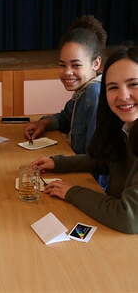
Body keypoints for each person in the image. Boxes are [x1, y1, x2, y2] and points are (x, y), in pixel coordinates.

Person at [31, 45, 138, 234]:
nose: (123, 95)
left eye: (133, 84)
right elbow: (106, 159)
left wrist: (72, 192)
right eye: (113, 87)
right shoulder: (126, 126)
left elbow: (127, 217)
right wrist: (58, 163)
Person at [24, 15, 107, 154]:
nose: (67, 72)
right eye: (62, 65)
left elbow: (94, 158)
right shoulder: (84, 90)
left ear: (96, 63)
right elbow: (66, 117)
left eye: (76, 65)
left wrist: (57, 164)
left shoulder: (94, 93)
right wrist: (43, 123)